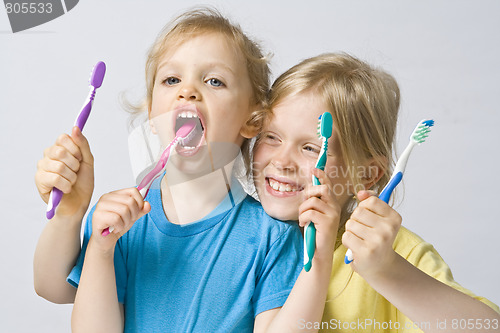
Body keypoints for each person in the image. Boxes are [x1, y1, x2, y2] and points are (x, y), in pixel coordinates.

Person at [34, 7, 304, 332]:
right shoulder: (117, 223)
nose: (187, 90)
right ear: (151, 112)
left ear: (252, 119)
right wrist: (83, 231)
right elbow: (52, 289)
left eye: (214, 81)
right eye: (171, 79)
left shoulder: (273, 239)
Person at [251, 53, 500, 332]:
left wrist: (386, 270)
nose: (282, 161)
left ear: (367, 174)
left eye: (310, 148)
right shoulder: (238, 234)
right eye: (271, 137)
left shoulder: (389, 250)